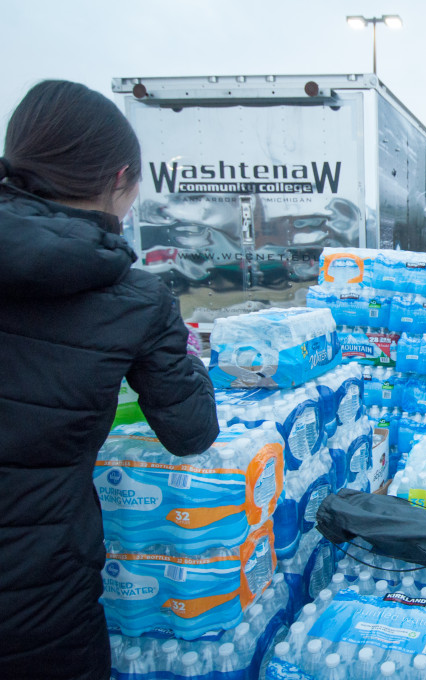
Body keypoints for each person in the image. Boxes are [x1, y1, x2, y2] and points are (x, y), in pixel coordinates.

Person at [0, 81, 220, 680]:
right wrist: (184, 351)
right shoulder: (131, 299)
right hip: (36, 597)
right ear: (119, 179)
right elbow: (193, 432)